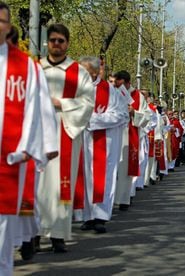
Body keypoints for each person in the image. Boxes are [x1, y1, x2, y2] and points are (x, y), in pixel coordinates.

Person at [0, 2, 55, 273]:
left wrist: (35, 148)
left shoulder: (26, 68)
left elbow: (39, 110)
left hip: (10, 157)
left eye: (2, 21)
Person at [37, 23, 95, 253]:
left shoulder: (78, 72)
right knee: (36, 186)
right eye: (53, 40)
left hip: (65, 130)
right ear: (47, 42)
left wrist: (61, 103)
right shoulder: (35, 68)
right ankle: (31, 234)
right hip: (37, 132)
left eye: (61, 41)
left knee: (61, 185)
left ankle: (58, 235)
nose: (57, 44)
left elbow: (88, 103)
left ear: (67, 43)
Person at [78, 56, 128, 233]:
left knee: (103, 178)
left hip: (104, 141)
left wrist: (92, 120)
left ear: (93, 71)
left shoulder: (109, 91)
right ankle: (87, 216)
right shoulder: (75, 88)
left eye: (85, 69)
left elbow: (121, 115)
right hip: (80, 140)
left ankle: (100, 216)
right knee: (84, 178)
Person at [113, 70, 151, 211]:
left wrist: (133, 112)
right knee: (112, 168)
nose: (120, 87)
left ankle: (124, 198)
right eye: (117, 84)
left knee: (125, 168)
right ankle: (108, 200)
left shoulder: (138, 96)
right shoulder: (113, 92)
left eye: (122, 84)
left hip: (129, 134)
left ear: (128, 83)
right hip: (113, 131)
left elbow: (147, 116)